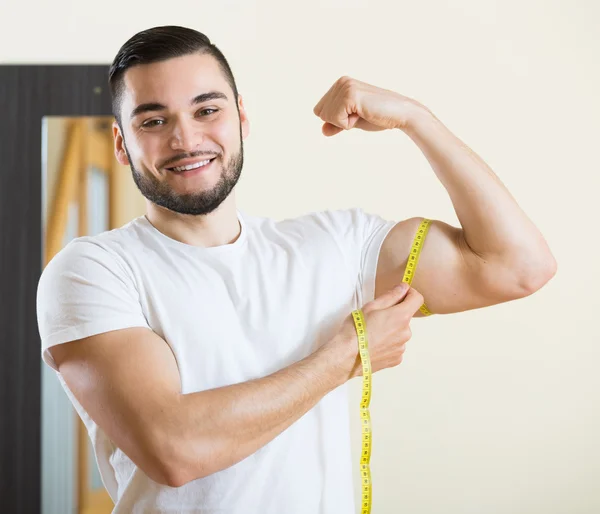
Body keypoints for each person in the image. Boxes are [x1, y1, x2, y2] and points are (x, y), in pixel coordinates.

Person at [36, 25, 557, 514]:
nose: (185, 139)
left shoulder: (335, 248)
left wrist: (414, 118)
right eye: (153, 120)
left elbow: (517, 266)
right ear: (122, 144)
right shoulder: (91, 272)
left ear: (241, 116)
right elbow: (174, 448)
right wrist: (349, 353)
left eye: (206, 110)